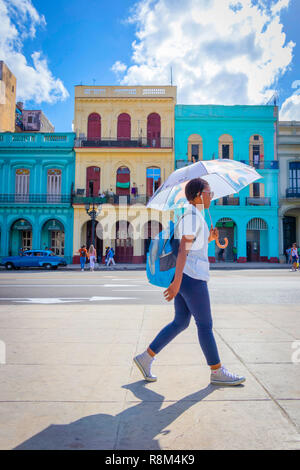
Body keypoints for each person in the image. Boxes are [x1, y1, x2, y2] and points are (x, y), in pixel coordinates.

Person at [133, 177, 246, 386]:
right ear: (197, 196)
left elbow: (193, 247)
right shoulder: (192, 217)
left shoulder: (194, 216)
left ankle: (145, 357)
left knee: (181, 322)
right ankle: (217, 370)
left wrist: (211, 239)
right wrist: (176, 282)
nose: (211, 195)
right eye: (208, 192)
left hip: (189, 276)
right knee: (205, 325)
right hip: (192, 278)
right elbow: (183, 250)